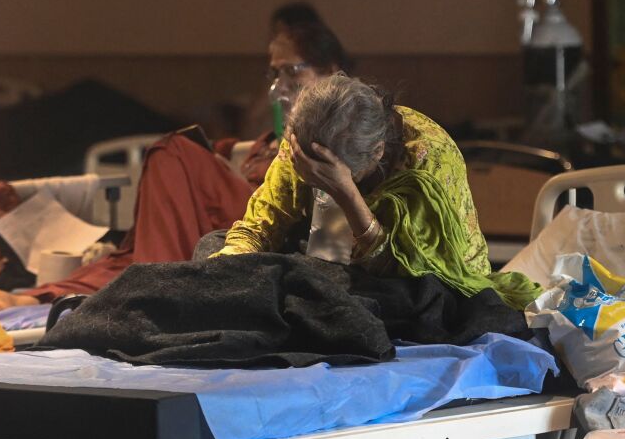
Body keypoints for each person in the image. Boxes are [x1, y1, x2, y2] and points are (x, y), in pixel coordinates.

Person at [0, 22, 351, 310]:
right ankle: (21, 301)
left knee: (174, 153)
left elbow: (315, 208)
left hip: (258, 228)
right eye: (273, 73)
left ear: (331, 71)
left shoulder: (334, 132)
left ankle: (150, 295)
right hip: (223, 223)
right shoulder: (267, 138)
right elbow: (232, 159)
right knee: (124, 258)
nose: (279, 86)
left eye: (292, 71)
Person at [199, 74, 539, 309]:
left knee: (416, 303)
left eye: (329, 175)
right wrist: (234, 262)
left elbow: (416, 270)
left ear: (377, 152)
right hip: (331, 262)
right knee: (214, 246)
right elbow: (264, 222)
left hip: (416, 278)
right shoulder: (307, 143)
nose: (315, 178)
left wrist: (345, 193)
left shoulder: (427, 160)